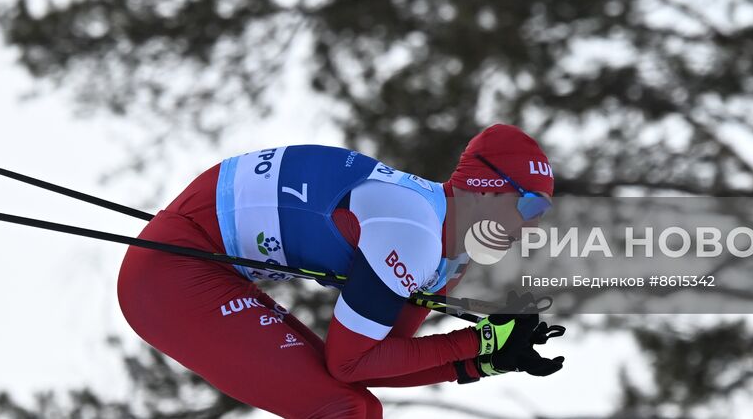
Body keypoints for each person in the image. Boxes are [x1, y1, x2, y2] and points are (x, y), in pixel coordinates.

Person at [117, 123, 565, 419]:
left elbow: (377, 362)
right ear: (486, 190)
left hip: (200, 259)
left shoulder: (448, 256)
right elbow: (350, 364)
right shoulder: (415, 232)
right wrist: (477, 341)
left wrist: (483, 362)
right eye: (528, 204)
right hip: (169, 269)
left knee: (357, 409)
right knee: (344, 410)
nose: (532, 225)